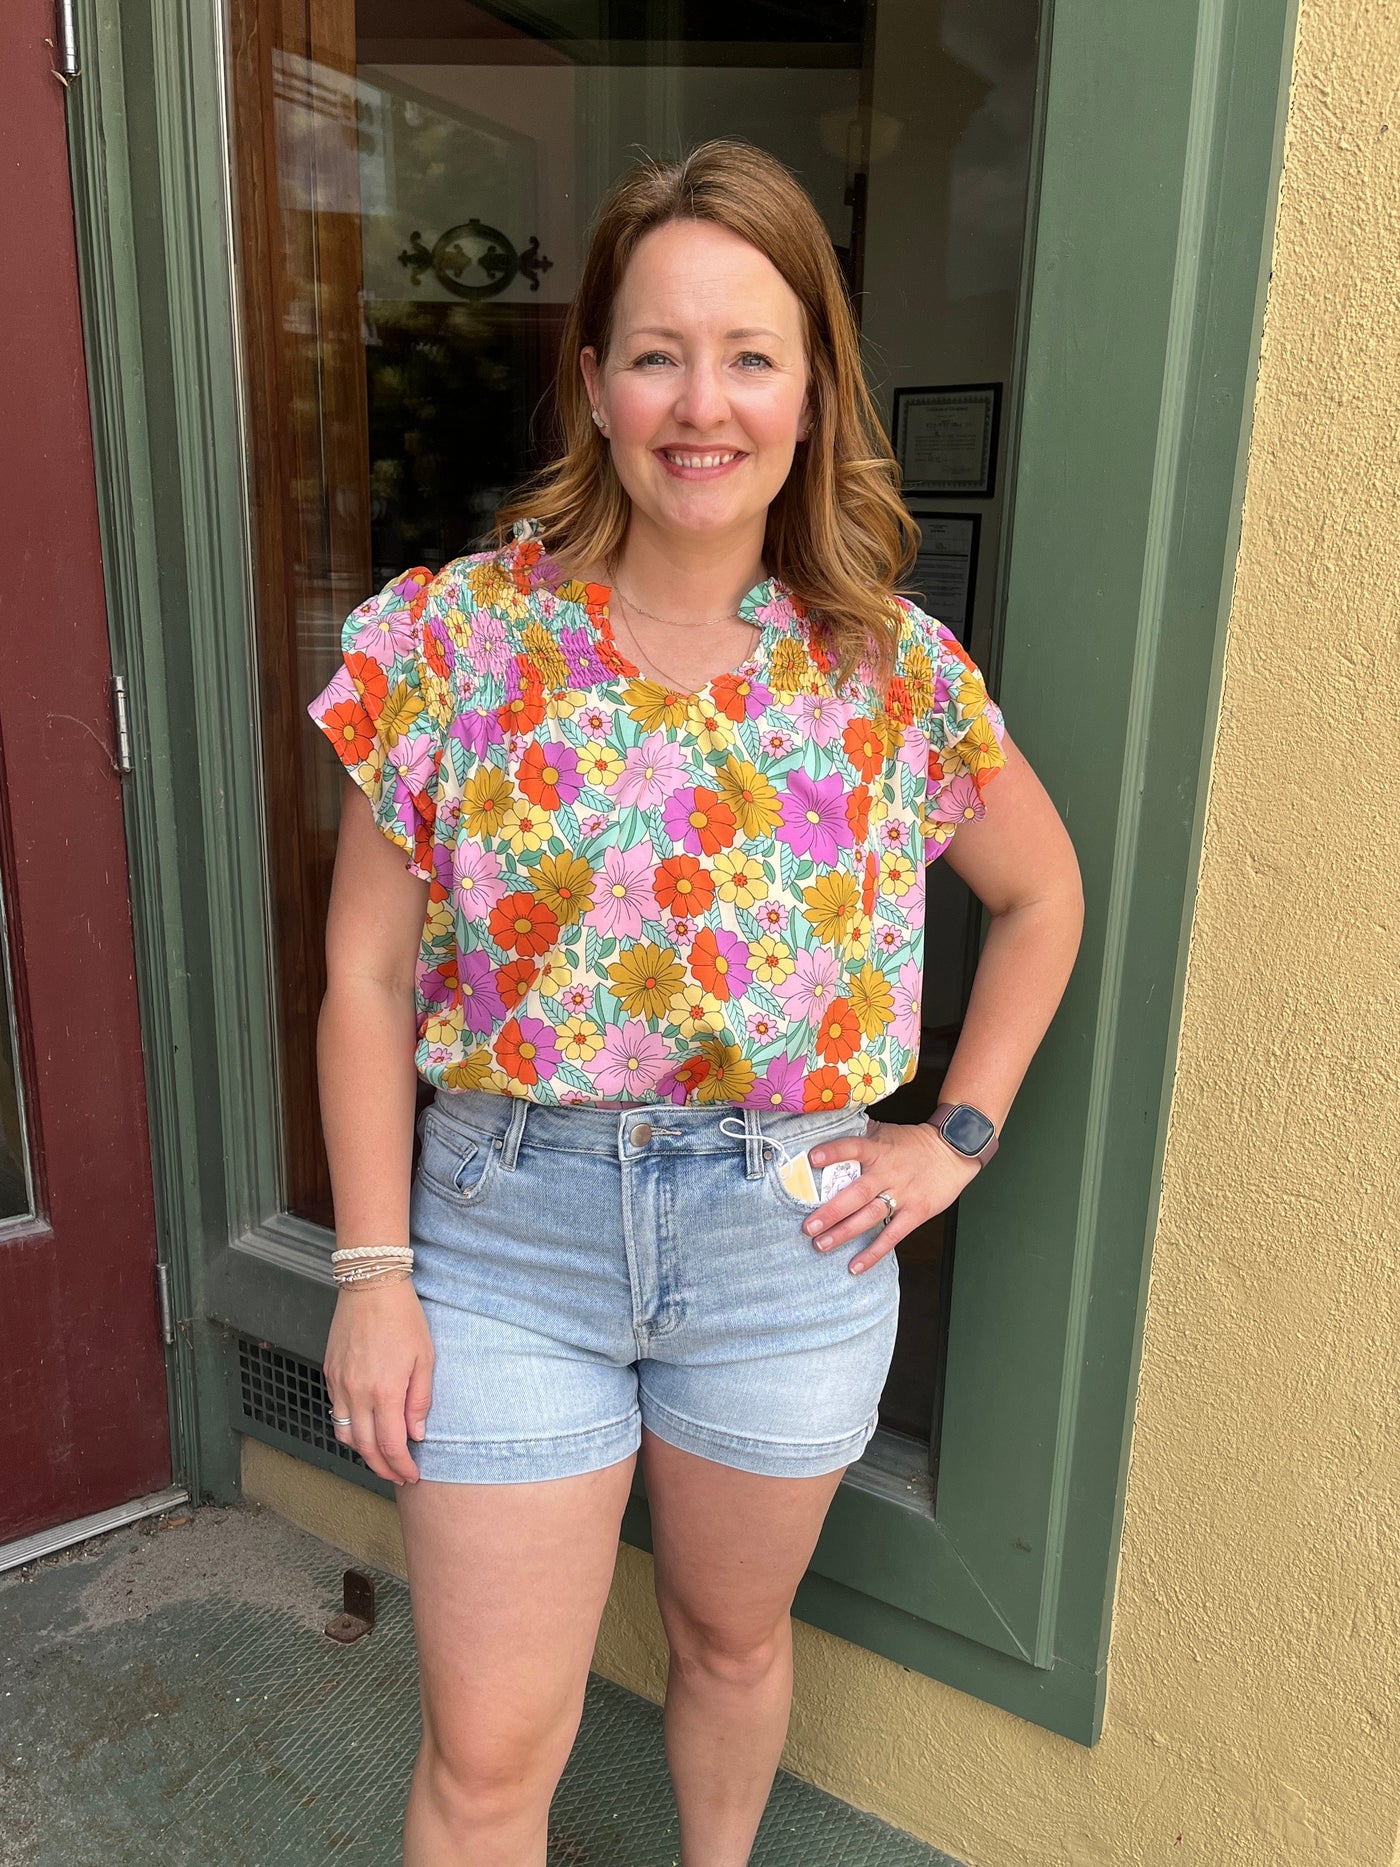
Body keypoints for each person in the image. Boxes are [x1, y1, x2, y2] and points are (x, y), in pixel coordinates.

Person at [307, 138, 1082, 1867]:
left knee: (733, 1643)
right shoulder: (453, 644)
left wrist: (955, 1138)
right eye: (658, 353)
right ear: (593, 382)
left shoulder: (887, 669)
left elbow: (1042, 897)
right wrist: (371, 1274)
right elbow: (363, 973)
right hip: (508, 1234)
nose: (700, 403)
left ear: (812, 391)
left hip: (785, 1244)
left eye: (751, 356)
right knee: (493, 1746)